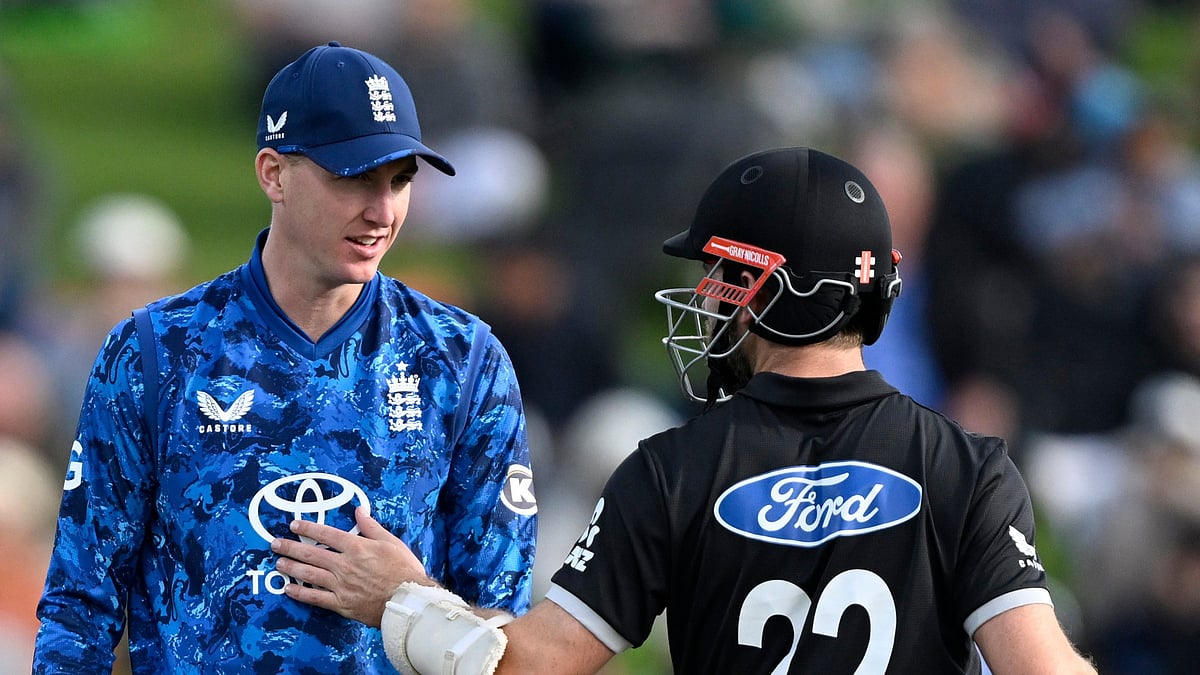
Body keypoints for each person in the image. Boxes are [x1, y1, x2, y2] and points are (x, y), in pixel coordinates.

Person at [269, 147, 1096, 674]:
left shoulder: (675, 468)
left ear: (771, 292)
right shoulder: (968, 466)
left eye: (722, 278)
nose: (708, 300)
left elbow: (527, 667)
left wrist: (405, 597)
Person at [33, 41, 537, 673]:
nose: (382, 212)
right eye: (354, 179)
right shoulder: (156, 351)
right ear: (273, 173)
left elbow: (504, 630)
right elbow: (80, 607)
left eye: (400, 180)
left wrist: (412, 603)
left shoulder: (462, 359)